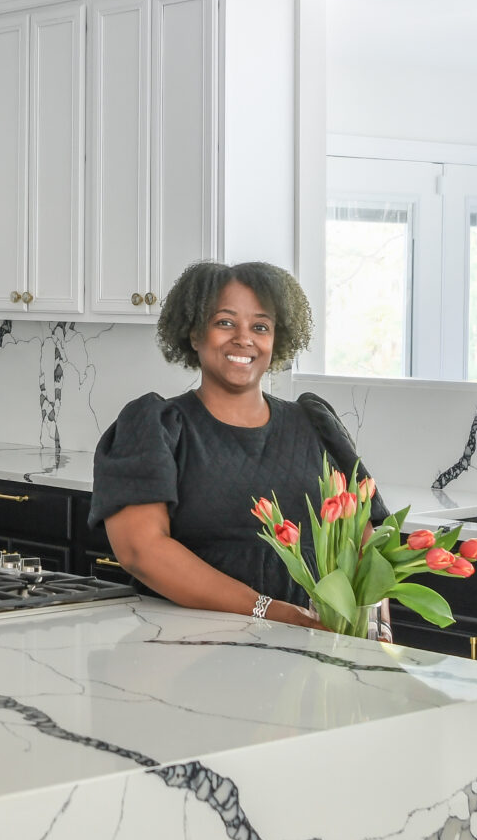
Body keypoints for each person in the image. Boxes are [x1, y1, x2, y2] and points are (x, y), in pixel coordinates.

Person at [92, 261, 384, 628]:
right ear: (194, 334)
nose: (244, 338)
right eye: (224, 322)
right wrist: (270, 611)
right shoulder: (156, 426)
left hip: (309, 646)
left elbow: (363, 542)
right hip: (185, 644)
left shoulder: (314, 424)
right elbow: (141, 550)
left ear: (277, 340)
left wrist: (375, 634)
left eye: (260, 327)